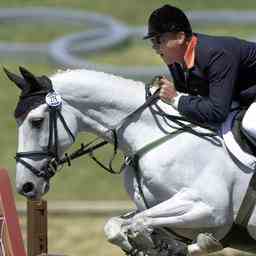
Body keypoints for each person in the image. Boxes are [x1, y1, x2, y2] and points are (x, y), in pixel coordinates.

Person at [143, 4, 256, 141]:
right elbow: (191, 96)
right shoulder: (176, 58)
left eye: (159, 40)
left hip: (246, 96)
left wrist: (175, 98)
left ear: (180, 37)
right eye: (152, 42)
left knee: (251, 124)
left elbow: (217, 112)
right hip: (241, 95)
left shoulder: (217, 55)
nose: (154, 47)